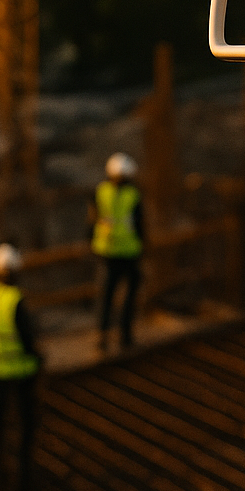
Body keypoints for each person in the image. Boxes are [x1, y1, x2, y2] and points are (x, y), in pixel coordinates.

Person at [0, 243, 40, 491]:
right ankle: (23, 474)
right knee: (25, 422)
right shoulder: (15, 299)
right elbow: (27, 339)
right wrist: (38, 359)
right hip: (19, 369)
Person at [90, 151, 144, 352]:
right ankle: (125, 335)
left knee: (106, 295)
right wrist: (142, 247)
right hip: (128, 253)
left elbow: (92, 220)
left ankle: (102, 335)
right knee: (128, 294)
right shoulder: (133, 195)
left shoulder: (100, 192)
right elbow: (139, 225)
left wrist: (92, 243)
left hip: (105, 251)